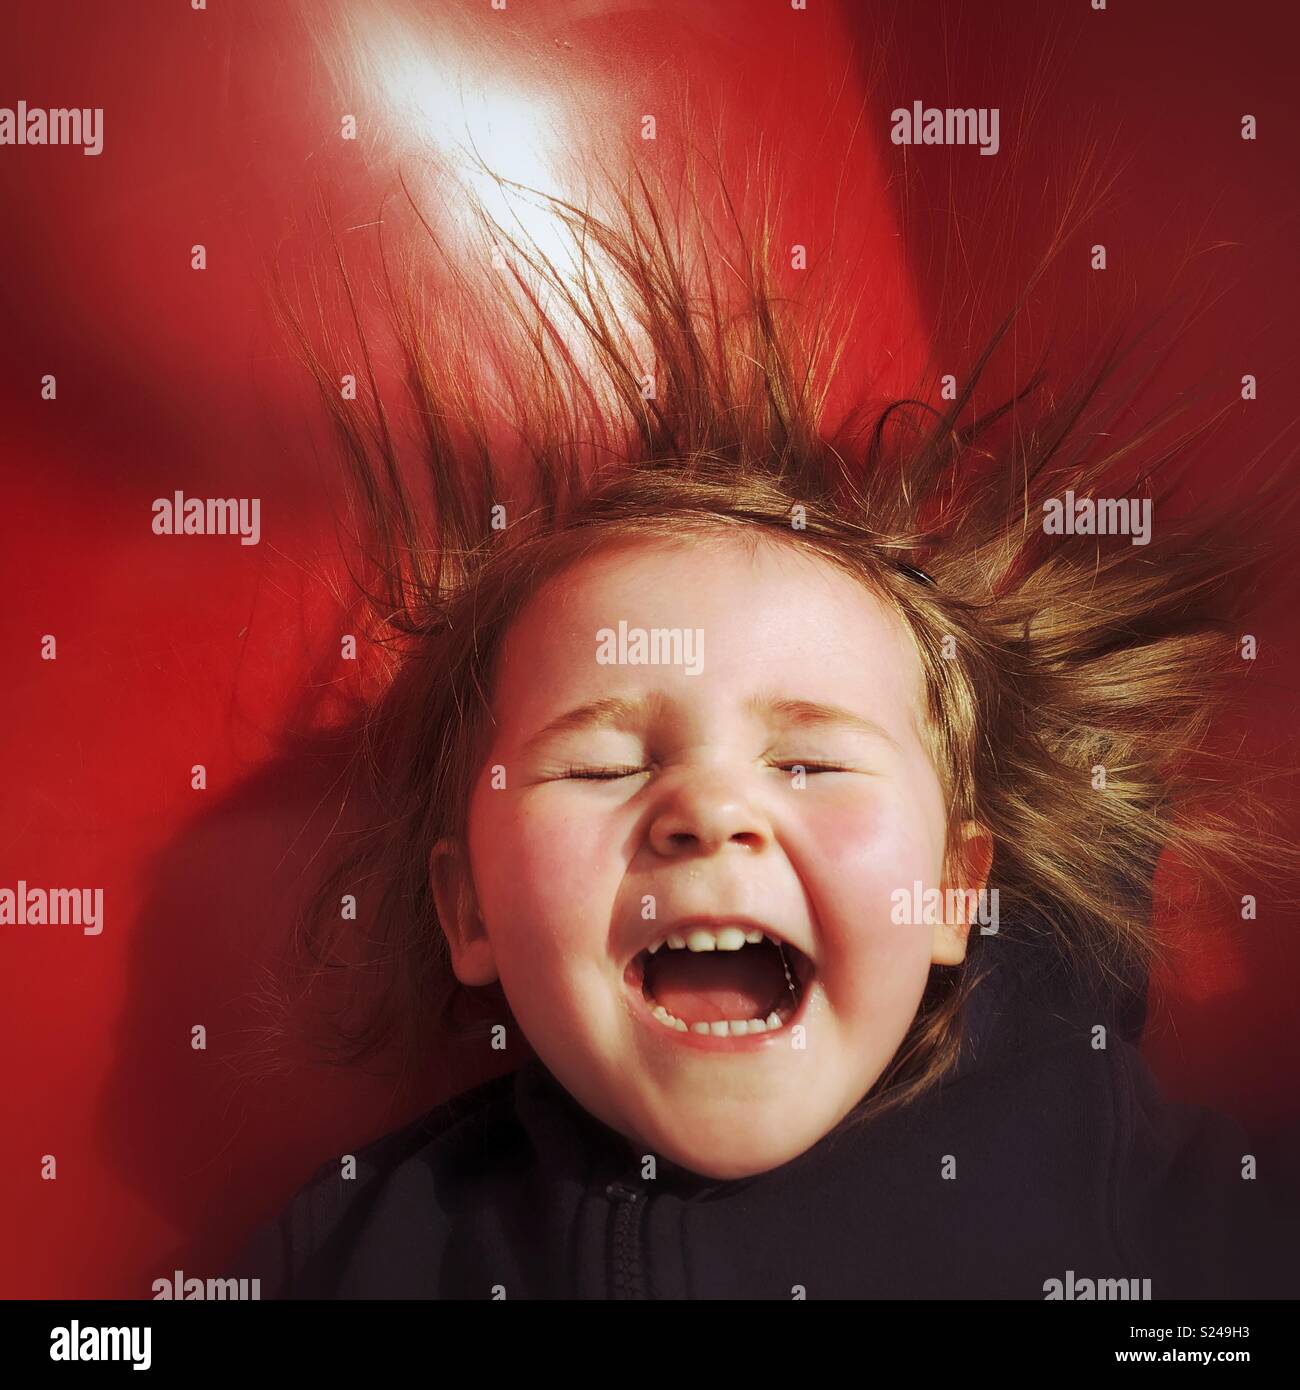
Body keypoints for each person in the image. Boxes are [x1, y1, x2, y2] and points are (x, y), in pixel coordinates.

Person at [229, 147, 1300, 1299]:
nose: (710, 808)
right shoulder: (381, 1244)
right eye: (596, 766)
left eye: (808, 758)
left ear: (949, 887)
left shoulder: (1106, 1157)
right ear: (469, 909)